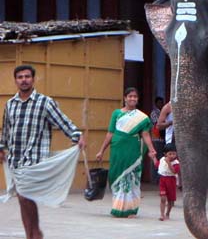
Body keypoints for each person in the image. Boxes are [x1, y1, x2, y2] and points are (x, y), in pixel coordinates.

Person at [0, 65, 86, 239]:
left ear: (33, 79)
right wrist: (1, 147)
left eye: (27, 76)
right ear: (15, 80)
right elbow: (6, 130)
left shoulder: (45, 102)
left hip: (35, 159)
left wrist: (77, 135)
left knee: (25, 196)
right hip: (15, 160)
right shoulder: (10, 105)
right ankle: (31, 234)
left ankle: (35, 233)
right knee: (23, 198)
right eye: (20, 77)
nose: (23, 80)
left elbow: (63, 121)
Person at [96, 87, 156, 218]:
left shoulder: (142, 118)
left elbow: (145, 135)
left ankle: (130, 210)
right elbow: (110, 133)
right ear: (125, 98)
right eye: (130, 96)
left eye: (135, 96)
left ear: (137, 99)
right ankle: (117, 208)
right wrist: (101, 150)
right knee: (116, 176)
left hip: (132, 150)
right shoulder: (116, 113)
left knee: (132, 178)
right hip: (117, 149)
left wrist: (151, 149)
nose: (132, 98)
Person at [152, 143, 180, 221]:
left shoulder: (176, 163)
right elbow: (157, 165)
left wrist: (169, 163)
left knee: (170, 200)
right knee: (163, 198)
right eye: (170, 154)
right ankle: (162, 214)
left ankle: (168, 213)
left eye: (174, 154)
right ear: (165, 154)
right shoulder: (162, 160)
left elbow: (174, 172)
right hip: (163, 180)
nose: (172, 156)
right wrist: (153, 157)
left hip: (171, 181)